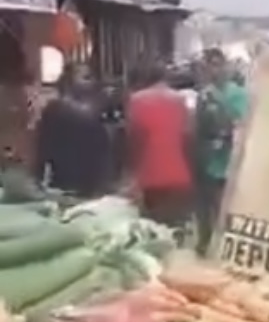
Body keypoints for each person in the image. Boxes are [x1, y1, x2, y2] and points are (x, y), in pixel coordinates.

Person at [193, 49, 248, 255]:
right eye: (209, 66)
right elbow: (197, 127)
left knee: (225, 210)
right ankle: (205, 243)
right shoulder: (203, 94)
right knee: (205, 209)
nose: (213, 70)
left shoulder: (238, 94)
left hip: (229, 162)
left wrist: (226, 136)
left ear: (225, 66)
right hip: (206, 162)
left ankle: (226, 248)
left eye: (217, 65)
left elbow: (243, 125)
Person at [126, 62, 192, 231]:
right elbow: (188, 137)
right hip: (179, 175)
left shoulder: (136, 100)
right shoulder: (180, 100)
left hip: (150, 176)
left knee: (153, 231)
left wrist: (134, 175)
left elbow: (135, 140)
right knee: (175, 230)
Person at [34, 64, 110, 199]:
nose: (92, 82)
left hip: (70, 182)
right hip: (73, 182)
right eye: (85, 78)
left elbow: (42, 146)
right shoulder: (61, 109)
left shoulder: (54, 109)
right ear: (69, 81)